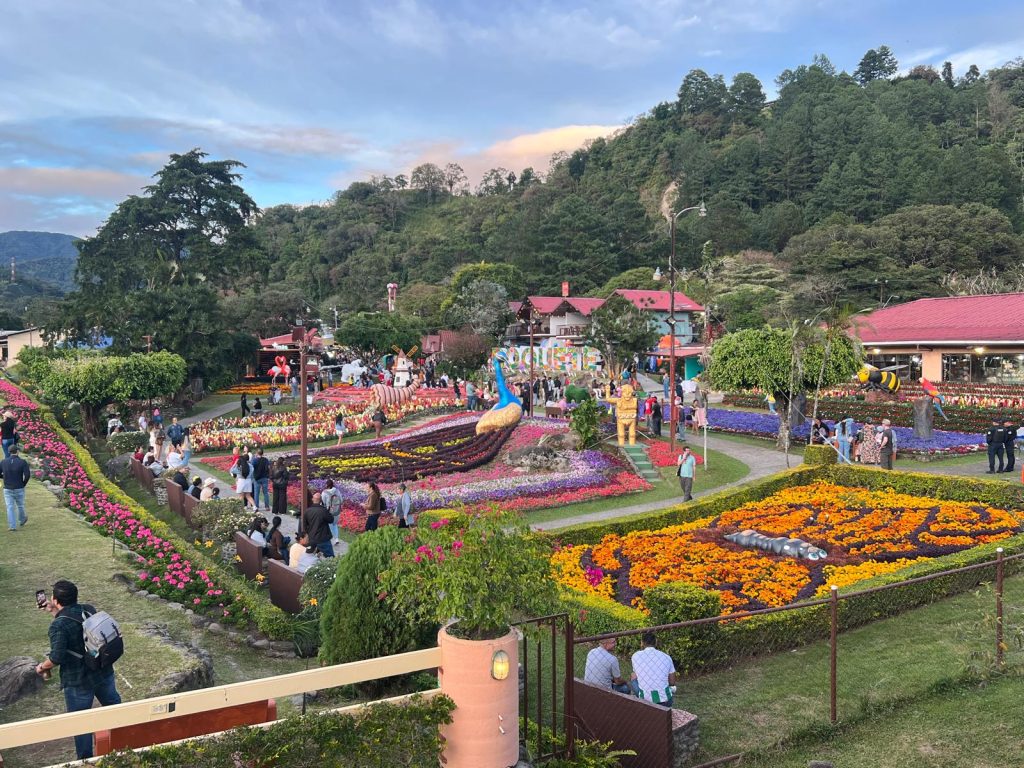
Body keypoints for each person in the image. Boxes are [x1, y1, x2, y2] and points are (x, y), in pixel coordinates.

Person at [35, 580, 122, 760]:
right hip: (102, 671)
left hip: (78, 681)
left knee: (80, 722)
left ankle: (85, 760)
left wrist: (41, 667)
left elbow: (56, 657)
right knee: (115, 709)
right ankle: (124, 745)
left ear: (55, 599)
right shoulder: (89, 609)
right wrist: (53, 611)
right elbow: (78, 628)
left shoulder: (58, 625)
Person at [630, 632, 677, 707]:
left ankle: (642, 696)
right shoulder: (666, 657)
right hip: (665, 701)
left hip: (645, 700)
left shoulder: (635, 656)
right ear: (656, 642)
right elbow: (672, 682)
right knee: (671, 687)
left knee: (633, 676)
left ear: (642, 643)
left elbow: (636, 675)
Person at [1, 444, 31, 531]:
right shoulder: (22, 462)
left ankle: (12, 526)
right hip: (19, 487)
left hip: (7, 488)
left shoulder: (3, 462)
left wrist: (4, 477)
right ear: (17, 451)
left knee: (10, 507)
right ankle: (22, 520)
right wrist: (23, 483)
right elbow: (27, 475)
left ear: (9, 452)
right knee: (20, 505)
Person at [302, 491, 334, 558]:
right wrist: (330, 512)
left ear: (313, 499)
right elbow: (331, 520)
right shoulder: (323, 511)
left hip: (312, 538)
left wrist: (308, 535)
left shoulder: (307, 511)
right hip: (323, 539)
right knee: (330, 557)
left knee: (311, 556)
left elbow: (305, 525)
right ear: (321, 501)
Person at [321, 478, 343, 542]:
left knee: (329, 524)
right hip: (336, 511)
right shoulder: (337, 491)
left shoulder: (324, 492)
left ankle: (330, 539)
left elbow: (323, 502)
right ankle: (336, 539)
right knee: (335, 524)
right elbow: (341, 500)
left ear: (326, 485)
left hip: (329, 511)